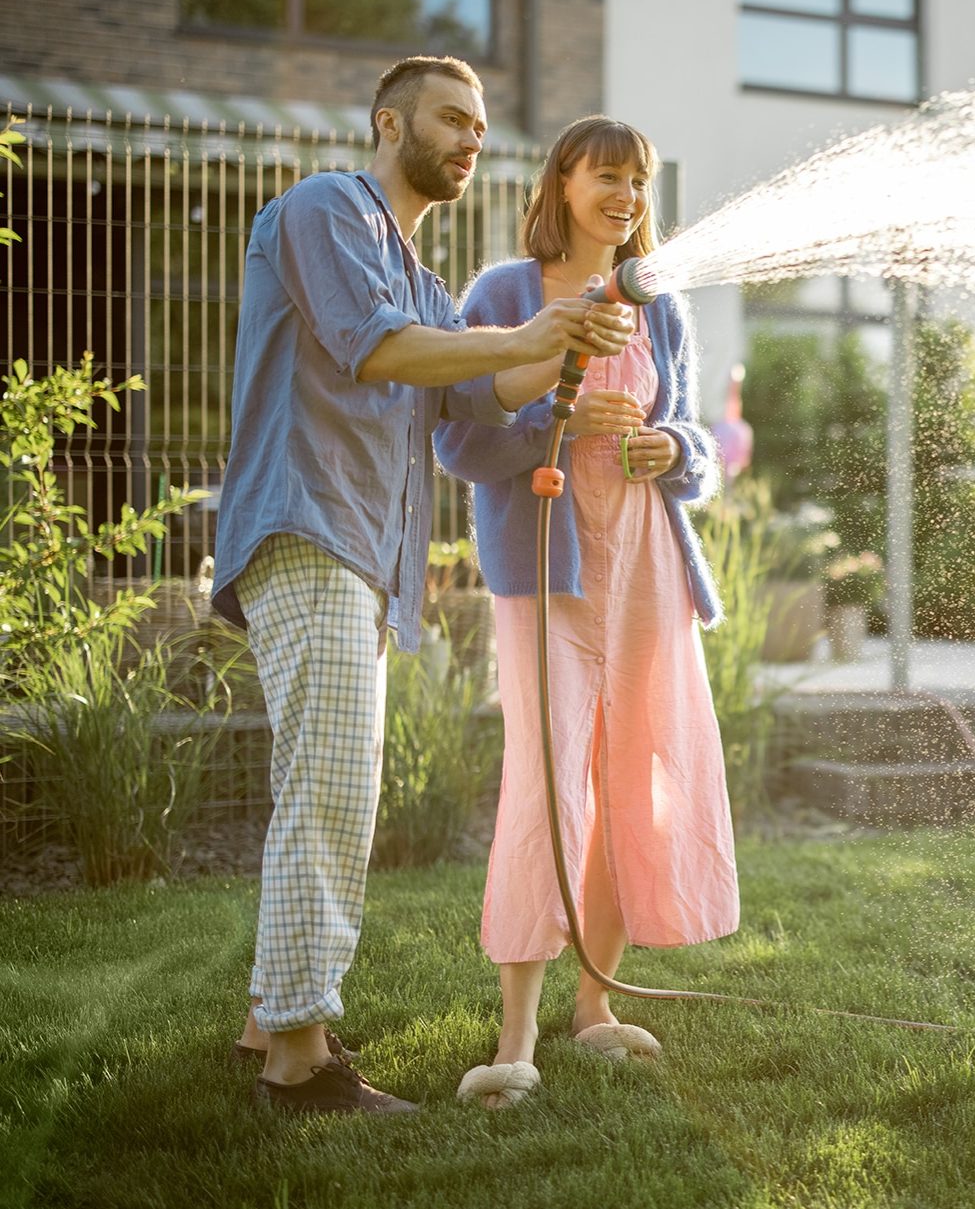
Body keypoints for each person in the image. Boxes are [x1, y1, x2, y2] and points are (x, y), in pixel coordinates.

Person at [210, 57, 635, 1115]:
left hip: (362, 551)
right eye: (452, 118)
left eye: (482, 125)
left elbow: (481, 397)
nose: (471, 137)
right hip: (310, 526)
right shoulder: (327, 212)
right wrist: (530, 333)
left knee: (323, 780)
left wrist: (563, 338)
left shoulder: (418, 275)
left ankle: (269, 1022)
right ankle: (301, 1064)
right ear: (388, 121)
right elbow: (380, 351)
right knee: (333, 792)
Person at [434, 115, 738, 1108]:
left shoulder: (660, 304)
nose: (626, 197)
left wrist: (670, 451)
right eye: (608, 176)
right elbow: (460, 443)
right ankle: (514, 1033)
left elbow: (691, 443)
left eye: (638, 182)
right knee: (546, 783)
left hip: (645, 567)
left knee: (629, 778)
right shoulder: (505, 293)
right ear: (564, 181)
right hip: (548, 576)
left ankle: (593, 1007)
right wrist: (549, 423)